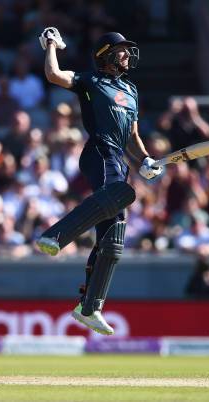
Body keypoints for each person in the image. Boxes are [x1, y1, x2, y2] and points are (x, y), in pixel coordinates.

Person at [35, 28, 164, 335]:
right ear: (106, 54)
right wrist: (51, 44)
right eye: (121, 50)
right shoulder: (90, 81)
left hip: (119, 158)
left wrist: (145, 159)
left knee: (114, 241)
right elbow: (53, 75)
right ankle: (56, 235)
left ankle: (90, 307)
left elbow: (132, 137)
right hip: (98, 153)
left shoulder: (131, 90)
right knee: (121, 192)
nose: (127, 55)